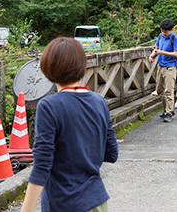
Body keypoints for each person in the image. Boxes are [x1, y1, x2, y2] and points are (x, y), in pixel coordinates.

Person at [21, 37, 118, 212]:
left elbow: (42, 165)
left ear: (47, 69)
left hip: (64, 203)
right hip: (97, 201)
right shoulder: (98, 101)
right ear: (81, 66)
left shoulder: (49, 106)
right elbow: (111, 153)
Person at [149, 18, 177, 122]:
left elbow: (176, 54)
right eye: (162, 31)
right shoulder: (160, 36)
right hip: (160, 66)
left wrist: (162, 52)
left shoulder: (175, 39)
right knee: (159, 90)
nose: (164, 33)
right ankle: (166, 108)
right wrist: (152, 55)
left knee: (169, 90)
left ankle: (169, 112)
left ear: (171, 30)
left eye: (166, 31)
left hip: (170, 67)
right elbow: (156, 47)